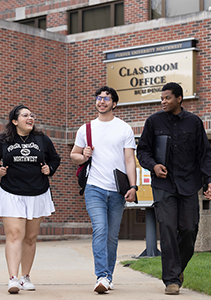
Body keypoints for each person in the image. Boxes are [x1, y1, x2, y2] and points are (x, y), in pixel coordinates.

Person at [137, 82, 211, 295]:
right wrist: (154, 165)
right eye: (162, 98)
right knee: (168, 228)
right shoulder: (153, 122)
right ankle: (171, 280)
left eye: (167, 98)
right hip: (164, 184)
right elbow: (143, 151)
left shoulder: (194, 123)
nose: (163, 102)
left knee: (189, 229)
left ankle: (177, 269)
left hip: (189, 184)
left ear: (179, 98)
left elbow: (204, 155)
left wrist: (208, 180)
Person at [0, 104, 60, 294]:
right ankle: (13, 278)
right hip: (11, 193)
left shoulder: (42, 139)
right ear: (15, 121)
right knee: (15, 235)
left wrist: (49, 169)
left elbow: (55, 159)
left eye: (32, 115)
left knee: (31, 237)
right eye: (25, 115)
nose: (30, 118)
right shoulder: (3, 141)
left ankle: (25, 277)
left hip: (37, 192)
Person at [70, 86, 137, 294]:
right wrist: (85, 155)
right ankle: (101, 276)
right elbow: (75, 155)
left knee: (111, 235)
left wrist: (133, 187)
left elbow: (129, 160)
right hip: (94, 188)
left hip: (117, 190)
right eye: (99, 98)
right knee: (100, 229)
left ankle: (108, 276)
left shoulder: (124, 128)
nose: (101, 101)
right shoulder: (86, 129)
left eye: (106, 99)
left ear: (114, 104)